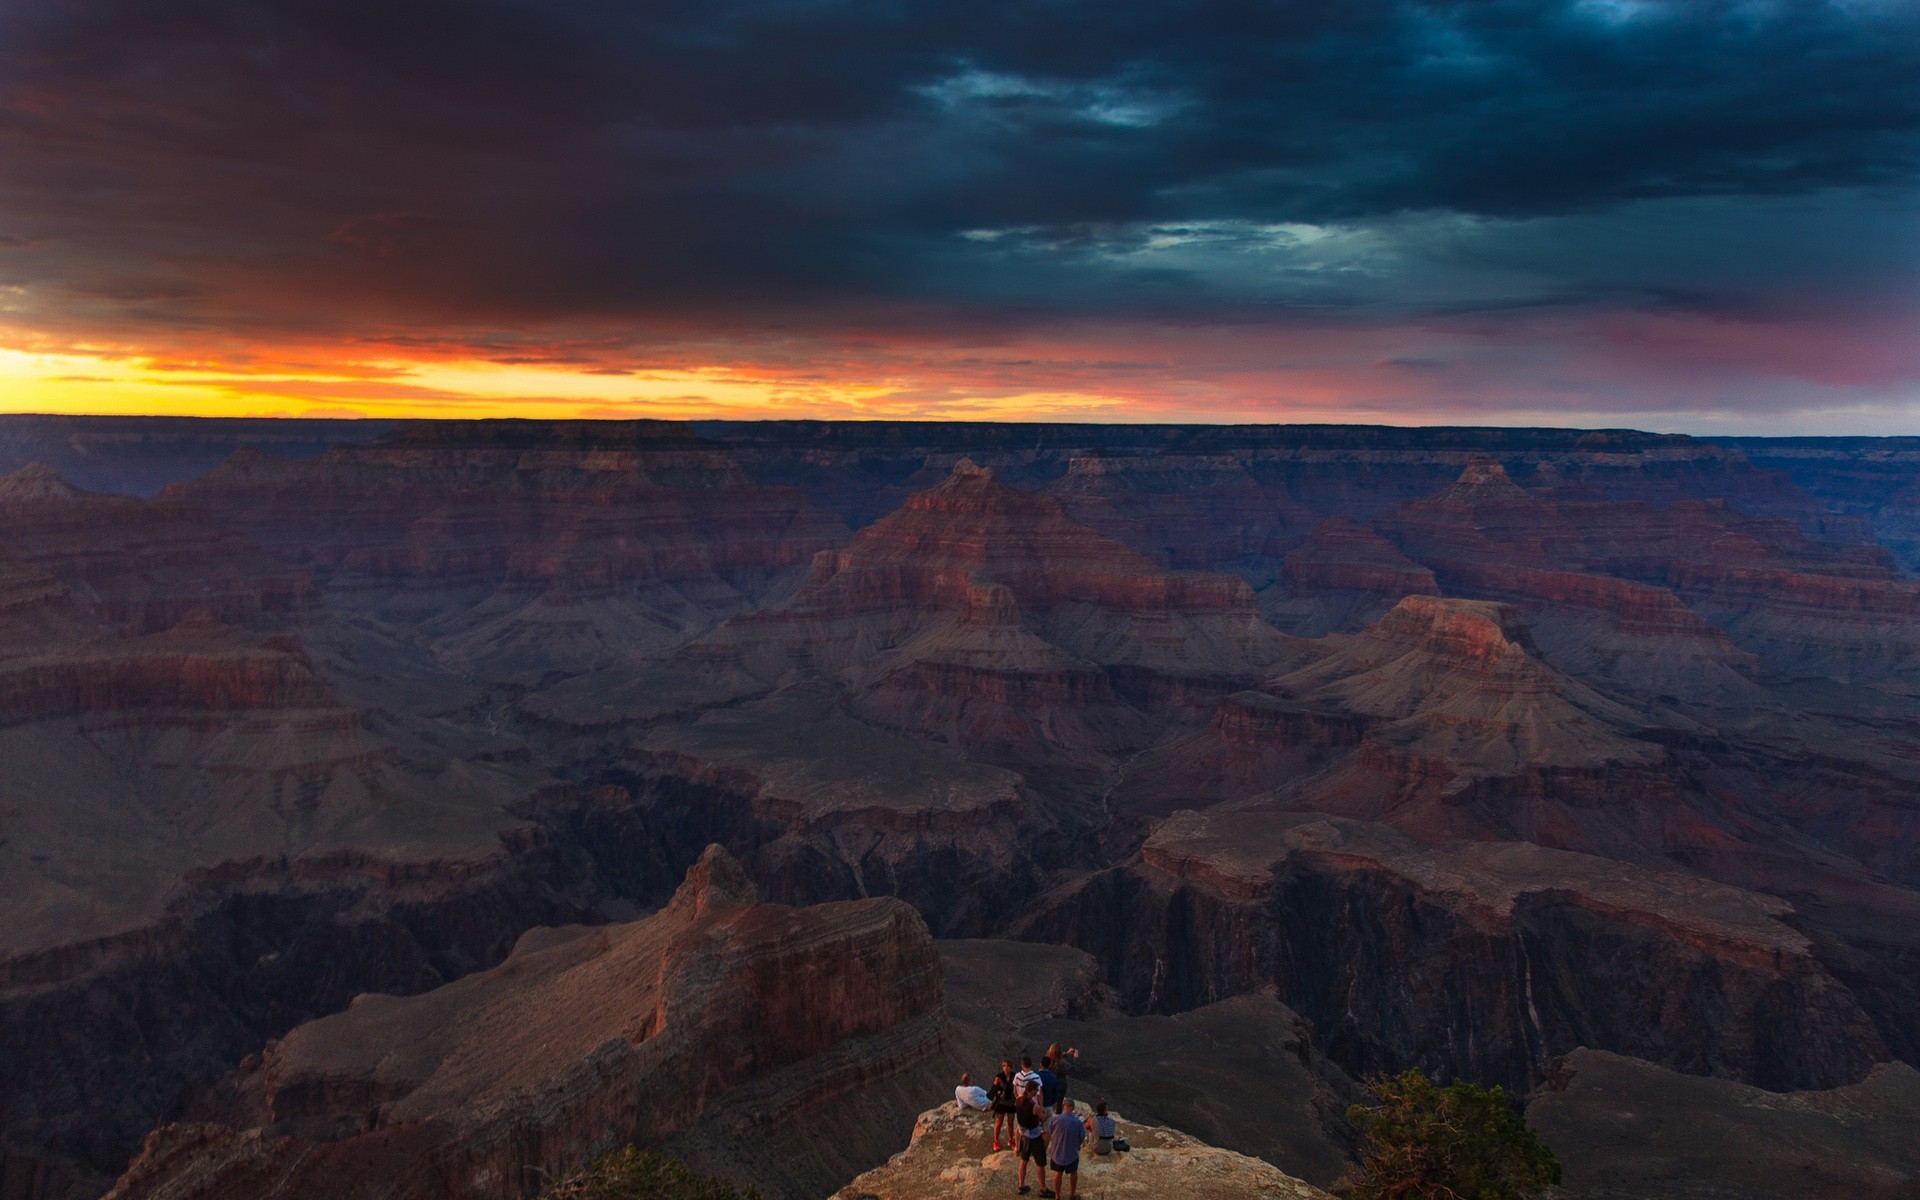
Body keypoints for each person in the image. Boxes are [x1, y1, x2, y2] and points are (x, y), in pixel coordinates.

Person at [1043, 1098, 1089, 1199]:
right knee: (1073, 1173)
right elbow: (1082, 1138)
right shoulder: (1077, 1122)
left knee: (1058, 1174)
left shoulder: (1055, 1119)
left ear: (1064, 1106)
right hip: (1071, 1153)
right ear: (1072, 1108)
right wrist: (1078, 1146)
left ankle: (1057, 1195)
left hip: (1057, 1153)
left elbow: (1049, 1132)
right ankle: (1072, 1195)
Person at [1013, 1081, 1048, 1196]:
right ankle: (1043, 1189)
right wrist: (1044, 1113)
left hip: (1024, 1136)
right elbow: (1043, 1118)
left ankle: (1020, 1185)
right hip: (1035, 1137)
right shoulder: (1035, 1106)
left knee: (1024, 1161)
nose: (1037, 1092)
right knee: (1040, 1164)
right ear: (1032, 1090)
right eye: (1036, 1090)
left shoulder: (1018, 1099)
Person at [988, 1059, 1018, 1151]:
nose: (1006, 1068)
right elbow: (992, 1091)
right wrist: (999, 1092)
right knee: (999, 1122)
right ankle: (996, 1141)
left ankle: (1011, 1140)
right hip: (1001, 1102)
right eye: (1004, 1066)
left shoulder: (1015, 1076)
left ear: (1011, 1067)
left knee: (1010, 1122)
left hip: (1011, 1102)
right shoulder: (999, 1077)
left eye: (1008, 1066)